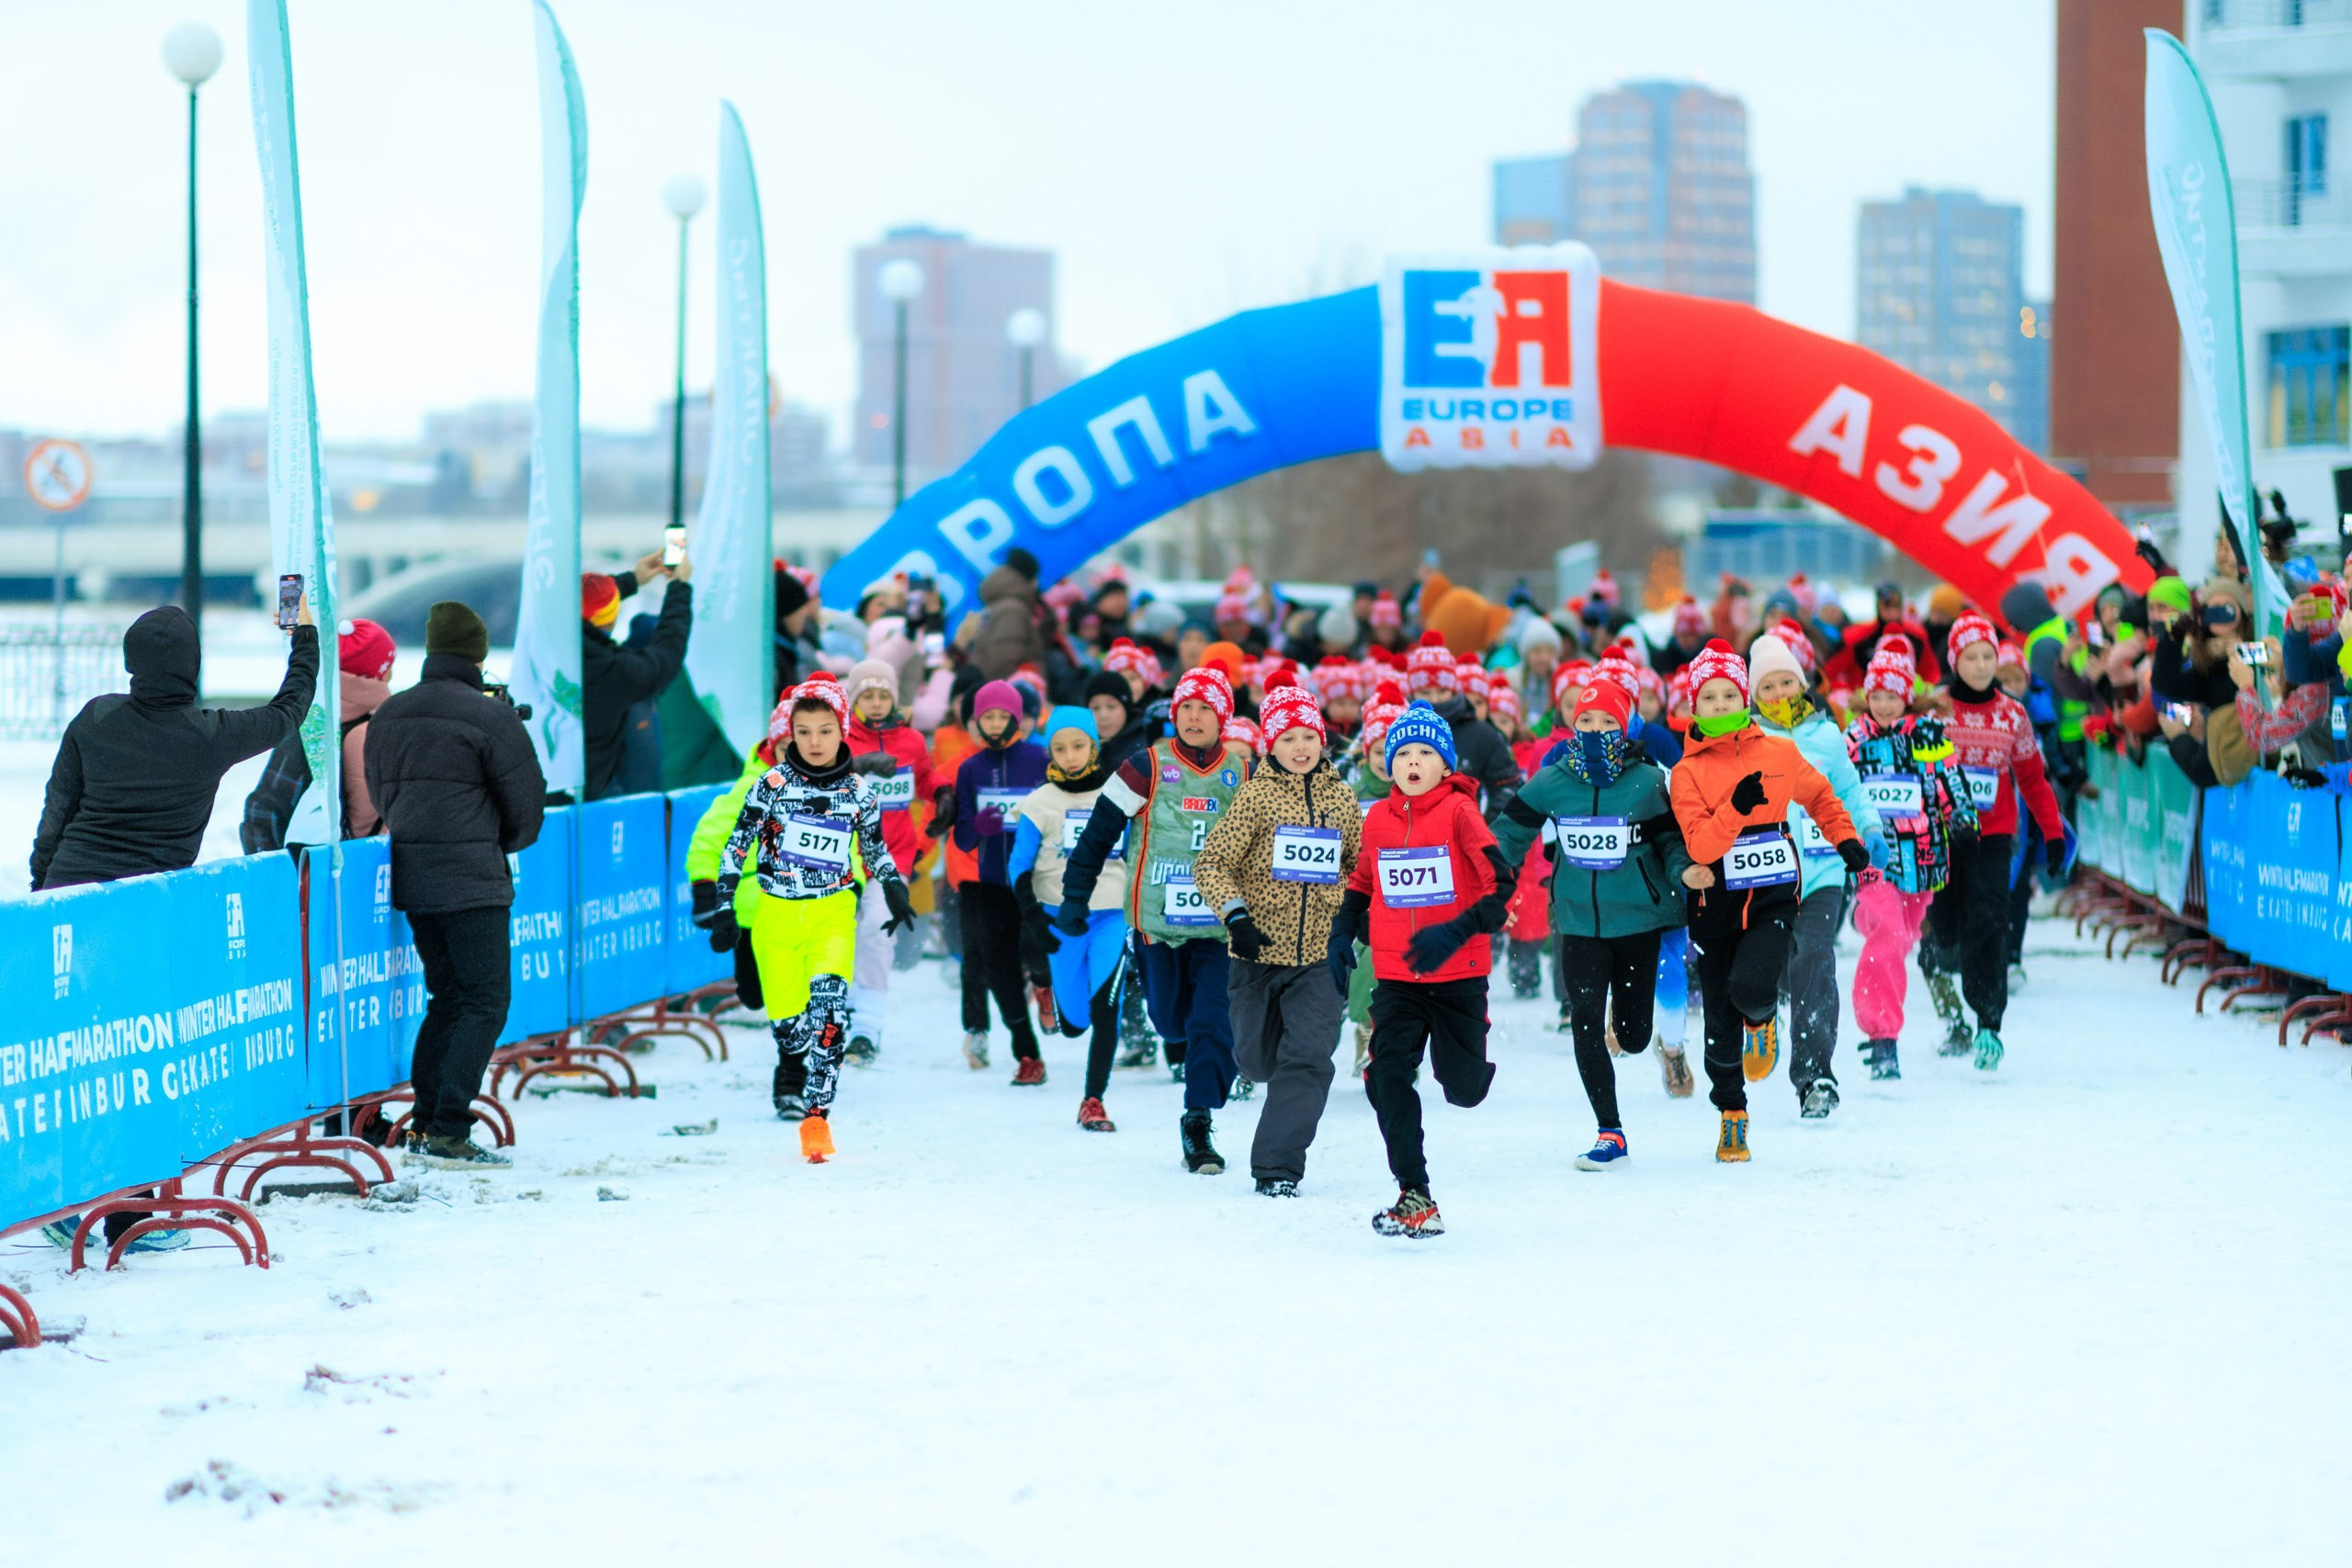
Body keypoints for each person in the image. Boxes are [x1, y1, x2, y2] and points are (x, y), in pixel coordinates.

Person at [364, 601, 546, 1168]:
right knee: (485, 1002)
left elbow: (380, 794)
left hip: (415, 879)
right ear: (479, 652)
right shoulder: (490, 716)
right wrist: (493, 843)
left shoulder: (390, 713)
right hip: (473, 883)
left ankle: (427, 1121)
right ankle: (447, 1127)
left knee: (446, 999)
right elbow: (528, 807)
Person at [1668, 640, 1864, 1164]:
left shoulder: (1778, 753)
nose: (1719, 704)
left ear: (1744, 699)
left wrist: (1844, 837)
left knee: (1753, 988)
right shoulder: (1686, 773)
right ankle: (1732, 1113)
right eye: (1708, 697)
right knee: (1718, 1025)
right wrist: (1735, 809)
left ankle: (1761, 1018)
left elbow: (1821, 795)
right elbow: (1700, 846)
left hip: (1774, 897)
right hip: (1714, 906)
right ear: (1695, 706)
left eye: (1729, 694)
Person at [1329, 702, 1515, 1237]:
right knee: (1385, 1074)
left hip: (1457, 976)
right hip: (1398, 977)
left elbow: (1500, 886)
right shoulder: (1378, 819)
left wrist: (1453, 932)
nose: (1413, 761)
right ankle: (1415, 1193)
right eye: (1403, 752)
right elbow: (1363, 881)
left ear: (1446, 764)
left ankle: (1469, 1064)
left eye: (1426, 753)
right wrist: (1343, 930)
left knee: (1464, 1089)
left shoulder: (1461, 813)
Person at [1057, 662, 1252, 1174]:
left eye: (1205, 708)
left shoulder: (1244, 774)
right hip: (1156, 927)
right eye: (1186, 707)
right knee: (1170, 1022)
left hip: (1219, 926)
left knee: (1211, 1018)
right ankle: (1197, 1056)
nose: (1193, 717)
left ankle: (1198, 1120)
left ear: (1223, 717)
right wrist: (1076, 897)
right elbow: (1097, 834)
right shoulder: (1144, 766)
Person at [712, 674, 914, 1161]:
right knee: (791, 1030)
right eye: (803, 732)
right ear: (791, 735)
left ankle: (817, 1120)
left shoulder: (859, 793)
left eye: (825, 731)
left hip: (832, 914)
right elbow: (735, 846)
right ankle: (796, 1053)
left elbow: (875, 850)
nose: (815, 742)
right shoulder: (769, 786)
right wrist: (723, 906)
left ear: (843, 730)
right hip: (775, 919)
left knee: (829, 1019)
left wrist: (894, 887)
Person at [1491, 675, 1690, 1170]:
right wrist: (1482, 872)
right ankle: (1610, 1132)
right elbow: (1507, 834)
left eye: (1607, 721)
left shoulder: (1648, 781)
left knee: (1634, 1036)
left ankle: (1627, 1021)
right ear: (1573, 724)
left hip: (1638, 920)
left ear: (1624, 728)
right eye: (1586, 719)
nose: (1596, 729)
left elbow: (1671, 842)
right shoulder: (1553, 780)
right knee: (1584, 1020)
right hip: (1577, 921)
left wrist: (1684, 873)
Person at [1193, 679, 1363, 1197]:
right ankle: (1262, 1073)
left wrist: (1355, 921)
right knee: (1258, 1060)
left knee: (1308, 1059)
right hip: (1257, 953)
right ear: (1271, 743)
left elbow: (1359, 869)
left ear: (1322, 740)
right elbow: (1212, 864)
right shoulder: (1256, 796)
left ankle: (1277, 1169)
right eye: (1288, 738)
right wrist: (1236, 919)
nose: (1300, 747)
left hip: (1319, 958)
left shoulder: (1341, 799)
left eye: (1309, 736)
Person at [34, 601, 319, 890]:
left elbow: (57, 811)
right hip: (151, 899)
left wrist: (40, 889)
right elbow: (288, 711)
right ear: (193, 665)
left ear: (130, 661)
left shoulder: (96, 717)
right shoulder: (213, 736)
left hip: (70, 890)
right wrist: (304, 637)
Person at [1748, 632, 1884, 1119]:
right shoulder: (1747, 739)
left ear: (1802, 685)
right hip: (1768, 875)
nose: (1779, 693)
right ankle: (1764, 1013)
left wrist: (1869, 827)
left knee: (1816, 957)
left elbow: (1850, 790)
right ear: (1754, 695)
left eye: (1787, 682)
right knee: (1778, 966)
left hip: (1824, 868)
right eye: (1767, 687)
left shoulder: (1827, 736)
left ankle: (1815, 1075)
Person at [1928, 613, 2068, 1069]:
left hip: (1994, 836)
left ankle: (1989, 1021)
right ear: (1955, 661)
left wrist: (2052, 832)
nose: (1982, 665)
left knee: (1988, 920)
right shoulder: (1934, 710)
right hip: (1942, 836)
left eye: (1988, 656)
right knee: (1946, 932)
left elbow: (2032, 778)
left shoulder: (2012, 713)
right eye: (1972, 657)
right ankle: (1946, 975)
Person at [1845, 638, 1977, 1080]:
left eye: (1892, 696)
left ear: (1907, 696)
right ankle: (1883, 1037)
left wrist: (1962, 817)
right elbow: (1836, 788)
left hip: (1921, 856)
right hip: (1873, 857)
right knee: (1888, 933)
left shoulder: (1927, 735)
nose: (1883, 706)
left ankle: (1865, 919)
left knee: (1902, 936)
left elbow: (1950, 780)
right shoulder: (1854, 739)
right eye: (1876, 696)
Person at [1009, 707, 1131, 1132]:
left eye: (1079, 746)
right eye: (1060, 748)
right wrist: (1033, 918)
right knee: (1076, 1023)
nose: (1071, 755)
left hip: (1112, 915)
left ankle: (1093, 1100)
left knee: (1106, 1007)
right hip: (1058, 918)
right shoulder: (1039, 802)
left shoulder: (1120, 795)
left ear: (1094, 746)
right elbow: (1018, 865)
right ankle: (1055, 997)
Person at [842, 658, 944, 1065]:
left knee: (876, 931)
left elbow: (926, 780)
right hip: (843, 858)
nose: (876, 702)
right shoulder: (841, 739)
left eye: (883, 695)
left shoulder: (912, 741)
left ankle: (866, 1026)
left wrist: (943, 792)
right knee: (843, 937)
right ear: (854, 700)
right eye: (867, 695)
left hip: (891, 856)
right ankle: (843, 1010)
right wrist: (855, 766)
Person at [947, 679, 1050, 1078]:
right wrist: (978, 824)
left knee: (1035, 949)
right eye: (986, 717)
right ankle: (1027, 1054)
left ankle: (1044, 984)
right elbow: (962, 837)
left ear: (1017, 719)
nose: (993, 724)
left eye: (1001, 716)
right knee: (998, 968)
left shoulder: (1041, 759)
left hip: (1035, 880)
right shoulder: (970, 769)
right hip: (990, 882)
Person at [241, 615, 395, 851]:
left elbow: (262, 812)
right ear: (376, 673)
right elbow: (263, 813)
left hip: (318, 865)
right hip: (351, 867)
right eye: (389, 664)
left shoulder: (311, 723)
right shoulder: (320, 731)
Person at [581, 549, 693, 801]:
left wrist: (632, 579)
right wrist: (679, 587)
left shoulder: (548, 642)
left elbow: (578, 610)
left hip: (549, 790)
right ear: (611, 618)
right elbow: (668, 653)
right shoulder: (613, 671)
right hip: (596, 798)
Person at [1402, 630, 1521, 818]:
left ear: (1453, 690)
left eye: (1442, 691)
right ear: (1413, 692)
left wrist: (1485, 826)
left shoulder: (1482, 734)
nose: (1435, 700)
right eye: (1425, 693)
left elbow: (1508, 785)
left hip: (1467, 829)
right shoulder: (1399, 733)